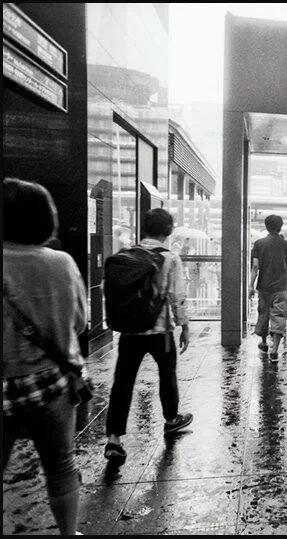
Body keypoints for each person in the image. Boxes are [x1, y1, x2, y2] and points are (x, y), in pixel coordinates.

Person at [3, 177, 86, 535]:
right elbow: (81, 322)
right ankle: (68, 533)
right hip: (51, 382)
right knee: (61, 465)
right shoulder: (61, 263)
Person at [104, 208, 193, 465]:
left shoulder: (125, 256)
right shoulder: (170, 258)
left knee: (122, 382)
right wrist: (184, 325)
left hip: (130, 330)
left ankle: (114, 438)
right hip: (160, 330)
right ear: (168, 231)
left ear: (144, 228)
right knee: (167, 374)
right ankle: (171, 419)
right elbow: (177, 297)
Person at [248, 214, 287, 361]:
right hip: (280, 287)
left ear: (267, 226)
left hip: (264, 286)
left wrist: (251, 285)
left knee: (264, 314)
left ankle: (263, 343)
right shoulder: (286, 245)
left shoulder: (259, 244)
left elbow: (255, 266)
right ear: (280, 227)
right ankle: (274, 350)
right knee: (279, 316)